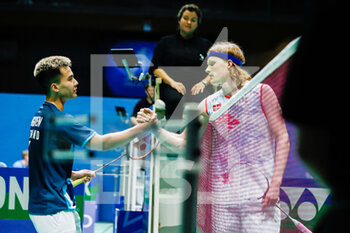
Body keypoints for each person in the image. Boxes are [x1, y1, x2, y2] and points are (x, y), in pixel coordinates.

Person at [138, 41, 290, 232]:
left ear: (228, 64)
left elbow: (283, 138)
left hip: (259, 197)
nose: (207, 70)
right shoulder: (208, 104)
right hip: (223, 201)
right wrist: (155, 129)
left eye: (212, 64)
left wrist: (276, 185)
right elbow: (183, 143)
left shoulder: (261, 93)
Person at [28, 56, 157, 233]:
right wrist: (144, 128)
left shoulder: (40, 116)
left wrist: (72, 175)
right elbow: (102, 143)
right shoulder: (59, 120)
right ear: (55, 87)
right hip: (53, 210)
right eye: (70, 78)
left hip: (48, 206)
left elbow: (44, 165)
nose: (76, 82)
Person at [150, 3, 212, 120]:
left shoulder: (205, 45)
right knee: (175, 100)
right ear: (179, 20)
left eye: (193, 20)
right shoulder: (165, 42)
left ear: (198, 23)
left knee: (202, 102)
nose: (189, 22)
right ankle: (173, 135)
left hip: (197, 87)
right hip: (171, 86)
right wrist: (172, 82)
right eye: (186, 18)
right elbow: (156, 68)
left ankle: (199, 136)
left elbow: (214, 69)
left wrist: (203, 83)